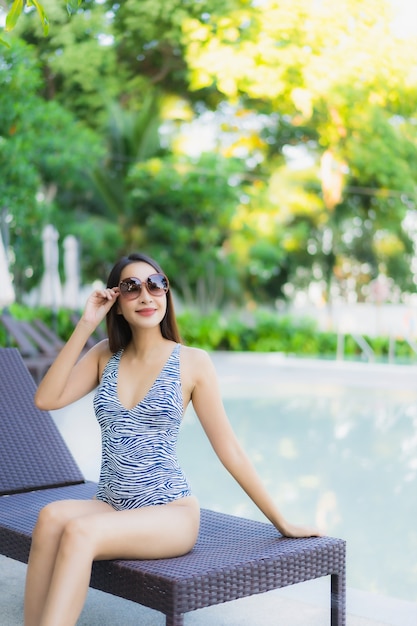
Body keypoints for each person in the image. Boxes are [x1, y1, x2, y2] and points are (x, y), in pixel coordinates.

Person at [25, 252, 321, 626]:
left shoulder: (193, 363)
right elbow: (45, 399)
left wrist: (281, 521)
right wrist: (86, 324)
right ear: (116, 303)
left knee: (81, 532)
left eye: (156, 284)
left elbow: (228, 448)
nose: (146, 296)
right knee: (50, 518)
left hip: (169, 513)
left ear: (166, 293)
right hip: (112, 504)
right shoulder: (105, 356)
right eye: (131, 288)